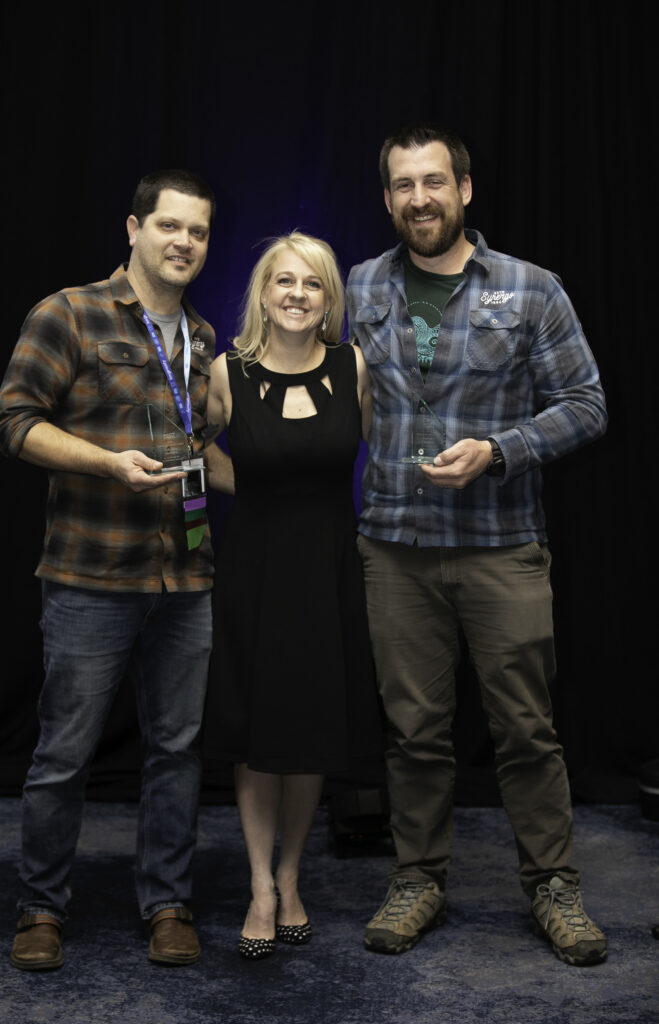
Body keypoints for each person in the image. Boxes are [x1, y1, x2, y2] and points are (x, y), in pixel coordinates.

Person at [346, 124, 608, 966]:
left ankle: (553, 887)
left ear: (463, 189)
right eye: (401, 186)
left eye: (433, 182)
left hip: (501, 546)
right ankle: (417, 877)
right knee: (413, 732)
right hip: (394, 547)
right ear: (387, 199)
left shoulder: (530, 290)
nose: (418, 199)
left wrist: (499, 451)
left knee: (525, 729)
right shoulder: (356, 287)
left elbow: (585, 403)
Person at [0, 169, 234, 971]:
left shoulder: (202, 339)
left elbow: (204, 455)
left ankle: (167, 903)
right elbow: (12, 423)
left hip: (186, 578)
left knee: (177, 750)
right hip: (91, 576)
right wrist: (103, 464)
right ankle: (40, 909)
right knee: (64, 751)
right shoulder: (69, 312)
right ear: (133, 230)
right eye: (169, 227)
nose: (183, 243)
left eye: (196, 232)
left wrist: (291, 472)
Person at [202, 232, 382, 959]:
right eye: (284, 282)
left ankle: (292, 873)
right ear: (263, 293)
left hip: (328, 568)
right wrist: (259, 490)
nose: (297, 295)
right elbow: (194, 448)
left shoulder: (353, 366)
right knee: (255, 730)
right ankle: (259, 885)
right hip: (253, 569)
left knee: (308, 727)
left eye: (312, 284)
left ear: (328, 297)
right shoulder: (228, 372)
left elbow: (364, 450)